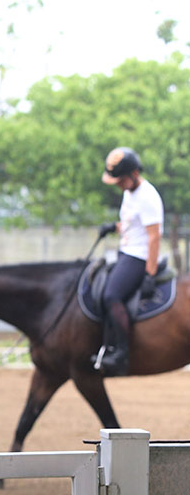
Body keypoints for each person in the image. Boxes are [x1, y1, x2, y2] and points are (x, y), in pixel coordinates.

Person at [96, 146, 164, 376]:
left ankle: (122, 352)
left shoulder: (147, 196)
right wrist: (112, 227)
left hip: (139, 256)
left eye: (120, 180)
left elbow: (154, 236)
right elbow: (130, 224)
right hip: (126, 251)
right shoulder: (129, 193)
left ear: (134, 174)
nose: (117, 184)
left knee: (111, 295)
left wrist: (150, 274)